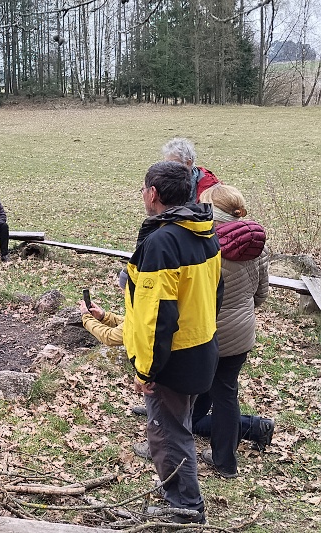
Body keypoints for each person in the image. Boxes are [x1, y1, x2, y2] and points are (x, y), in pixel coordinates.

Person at [79, 269, 272, 459]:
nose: (122, 293)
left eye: (123, 289)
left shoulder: (147, 304)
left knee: (181, 417)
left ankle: (164, 449)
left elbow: (115, 335)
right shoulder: (205, 258)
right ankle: (255, 427)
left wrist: (86, 319)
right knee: (200, 408)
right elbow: (130, 325)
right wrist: (104, 317)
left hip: (185, 356)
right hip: (221, 341)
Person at [123, 161, 222, 524]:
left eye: (143, 189)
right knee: (177, 427)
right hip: (201, 347)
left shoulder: (163, 242)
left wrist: (146, 368)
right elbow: (216, 292)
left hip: (173, 358)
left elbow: (157, 317)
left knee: (167, 433)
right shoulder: (202, 230)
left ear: (153, 194)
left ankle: (184, 508)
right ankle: (180, 499)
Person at [194, 184, 273, 478]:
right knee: (224, 393)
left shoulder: (206, 245)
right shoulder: (256, 244)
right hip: (242, 332)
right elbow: (261, 294)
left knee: (190, 389)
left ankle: (166, 444)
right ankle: (224, 461)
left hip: (209, 333)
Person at [161, 137, 220, 202]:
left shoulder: (209, 185)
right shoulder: (163, 182)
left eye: (173, 164)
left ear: (188, 163)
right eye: (167, 163)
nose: (168, 168)